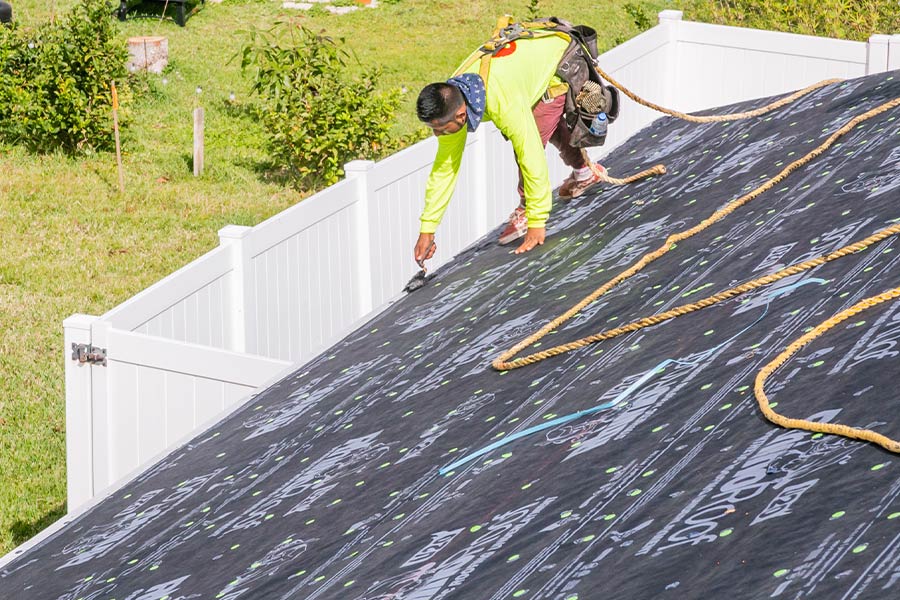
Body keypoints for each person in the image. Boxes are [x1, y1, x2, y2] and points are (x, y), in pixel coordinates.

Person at [413, 27, 606, 265]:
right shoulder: (452, 100)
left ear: (461, 116)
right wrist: (428, 228)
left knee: (530, 137)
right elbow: (444, 170)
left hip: (561, 58)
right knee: (542, 126)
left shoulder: (500, 99)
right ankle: (585, 173)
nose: (437, 134)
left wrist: (537, 222)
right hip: (531, 61)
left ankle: (528, 208)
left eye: (440, 128)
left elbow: (530, 154)